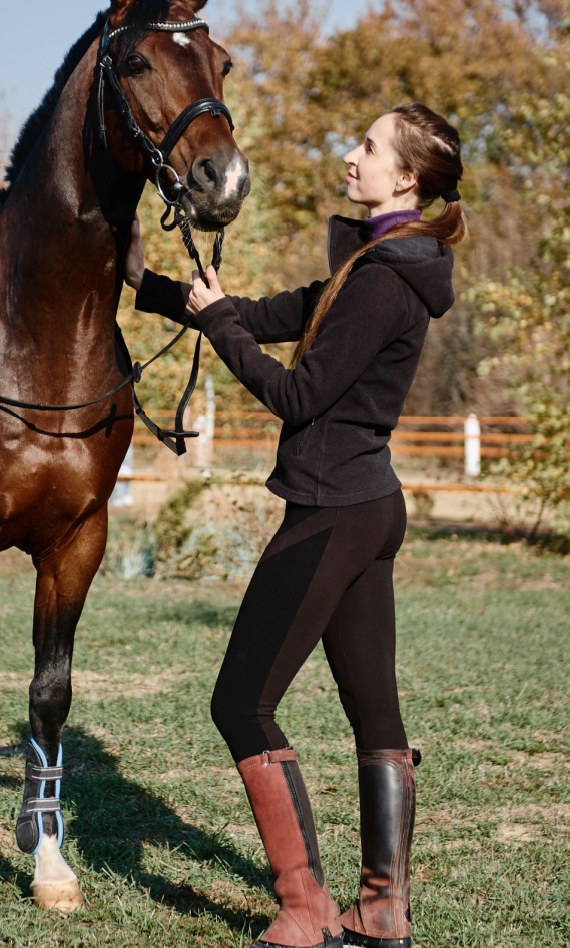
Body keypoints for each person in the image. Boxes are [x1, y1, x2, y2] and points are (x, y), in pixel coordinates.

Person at [126, 102, 464, 948]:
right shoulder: (386, 263)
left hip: (335, 515)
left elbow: (298, 394)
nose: (350, 156)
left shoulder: (386, 279)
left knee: (240, 702)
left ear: (407, 178)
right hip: (367, 507)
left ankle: (308, 908)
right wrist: (154, 289)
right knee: (374, 714)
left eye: (369, 148)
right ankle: (382, 910)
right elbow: (280, 311)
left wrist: (219, 329)